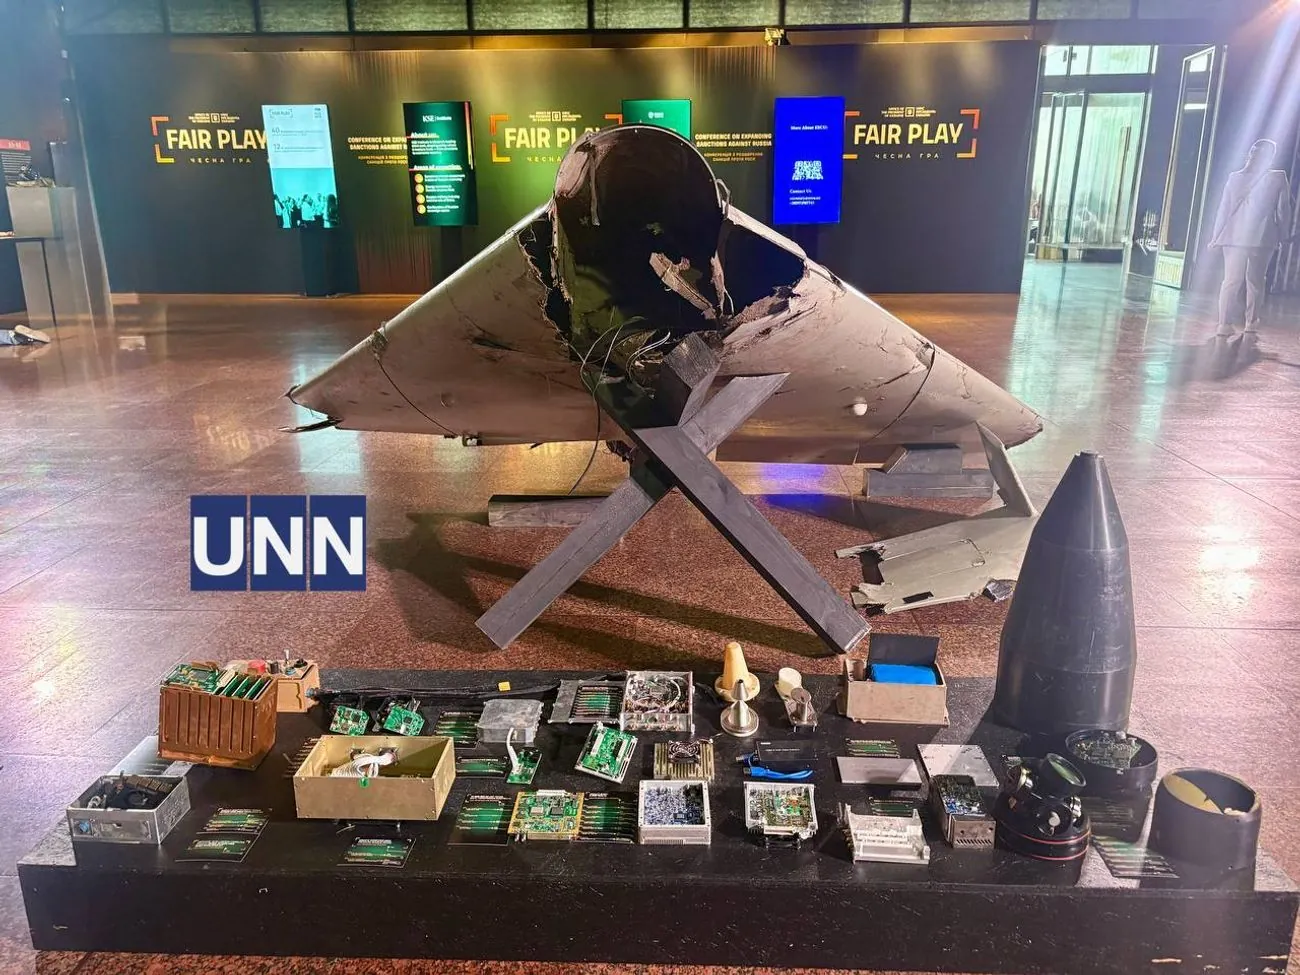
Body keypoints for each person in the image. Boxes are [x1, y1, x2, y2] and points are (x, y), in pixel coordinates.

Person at [1211, 139, 1293, 336]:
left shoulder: (1234, 178)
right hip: (1262, 237)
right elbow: (1283, 210)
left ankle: (1224, 324)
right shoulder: (1278, 178)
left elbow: (1223, 210)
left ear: (1250, 154)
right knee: (1256, 281)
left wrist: (1215, 236)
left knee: (1230, 281)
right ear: (1271, 156)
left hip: (1233, 236)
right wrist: (1283, 235)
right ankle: (1251, 322)